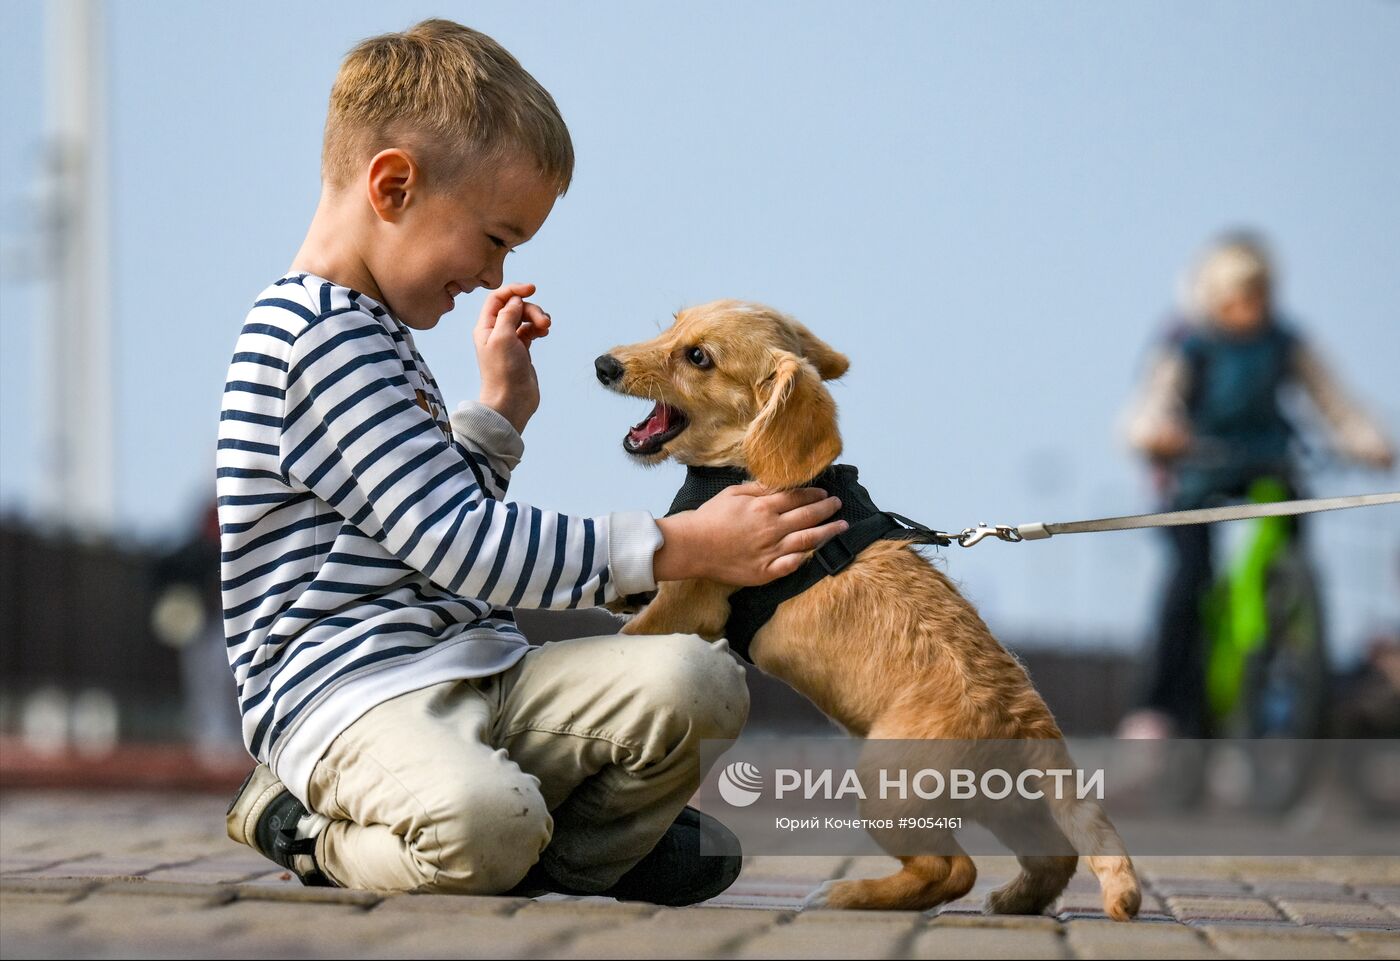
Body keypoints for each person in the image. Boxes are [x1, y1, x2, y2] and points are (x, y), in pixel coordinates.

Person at [218, 19, 849, 902]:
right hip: (352, 697)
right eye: (495, 238)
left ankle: (560, 850)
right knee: (484, 828)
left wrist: (499, 413)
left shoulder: (372, 333)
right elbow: (462, 544)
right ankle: (307, 829)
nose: (494, 273)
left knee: (700, 678)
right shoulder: (316, 340)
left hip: (476, 664)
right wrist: (683, 544)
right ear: (394, 186)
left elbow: (424, 533)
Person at [1118, 232, 1393, 740]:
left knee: (1296, 545)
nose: (1250, 308)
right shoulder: (1189, 343)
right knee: (1188, 579)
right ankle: (1159, 707)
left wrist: (1369, 442)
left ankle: (1296, 667)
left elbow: (1336, 402)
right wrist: (1157, 433)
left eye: (1259, 295)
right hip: (1201, 472)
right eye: (1239, 297)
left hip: (1270, 465)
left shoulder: (1286, 342)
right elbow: (1153, 403)